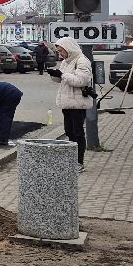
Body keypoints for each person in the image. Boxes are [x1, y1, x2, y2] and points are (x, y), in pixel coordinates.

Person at [49, 36, 93, 171]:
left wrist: (62, 75)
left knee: (78, 132)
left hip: (78, 103)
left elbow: (82, 80)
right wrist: (55, 74)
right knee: (69, 131)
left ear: (69, 48)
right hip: (67, 102)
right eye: (58, 52)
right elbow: (62, 80)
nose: (60, 54)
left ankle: (79, 162)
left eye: (61, 51)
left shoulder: (81, 60)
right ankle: (71, 160)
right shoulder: (66, 62)